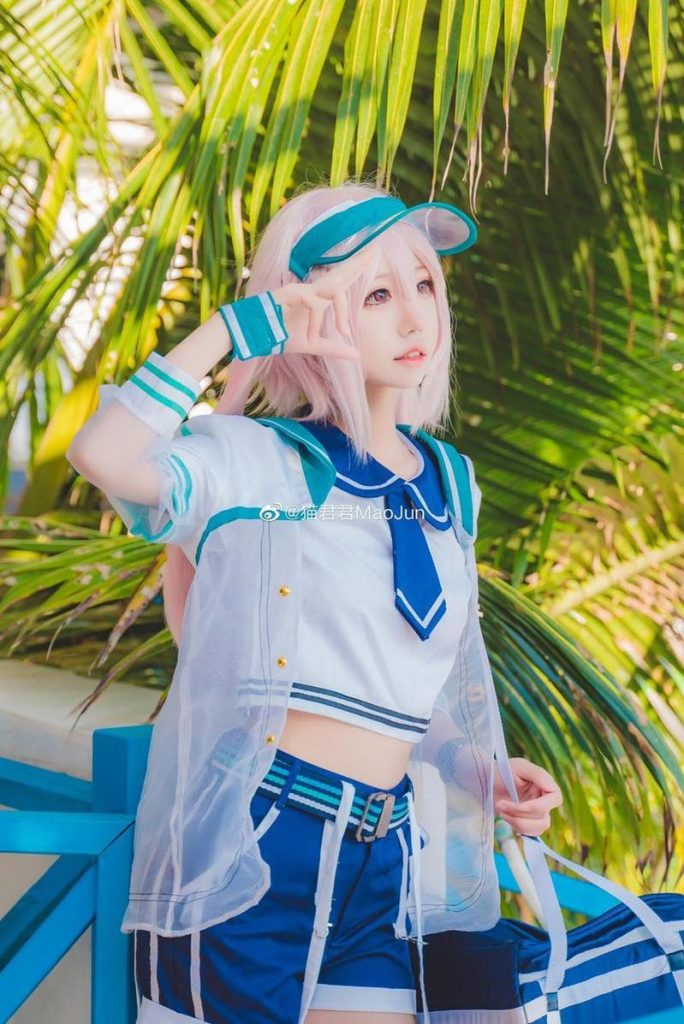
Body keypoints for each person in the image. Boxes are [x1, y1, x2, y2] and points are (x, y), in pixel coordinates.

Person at [66, 180, 563, 1024]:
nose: (415, 315)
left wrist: (474, 768)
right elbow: (102, 454)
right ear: (313, 315)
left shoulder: (453, 484)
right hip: (258, 838)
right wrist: (237, 329)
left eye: (424, 283)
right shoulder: (255, 459)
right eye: (376, 294)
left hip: (385, 848)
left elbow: (398, 687)